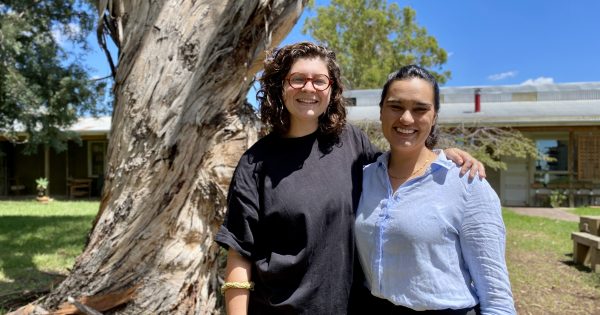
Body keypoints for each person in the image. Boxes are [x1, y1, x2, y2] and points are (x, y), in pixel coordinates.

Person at [215, 42, 484, 315]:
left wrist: (441, 155)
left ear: (331, 89)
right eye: (297, 79)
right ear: (279, 86)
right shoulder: (255, 164)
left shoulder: (352, 143)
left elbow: (399, 166)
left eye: (319, 81)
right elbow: (239, 254)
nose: (309, 88)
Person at [354, 65, 516, 314]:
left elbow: (496, 295)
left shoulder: (467, 182)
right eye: (396, 106)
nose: (406, 118)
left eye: (420, 109)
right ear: (381, 112)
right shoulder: (364, 178)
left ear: (435, 117)